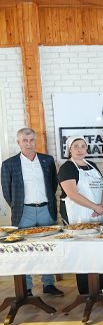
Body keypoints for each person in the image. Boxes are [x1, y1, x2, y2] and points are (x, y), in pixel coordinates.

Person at [1, 126, 63, 297]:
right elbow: (7, 192)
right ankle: (26, 287)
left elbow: (53, 185)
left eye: (31, 140)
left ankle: (48, 284)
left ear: (36, 141)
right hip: (24, 212)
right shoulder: (9, 164)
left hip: (45, 210)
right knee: (23, 249)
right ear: (18, 142)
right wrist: (19, 206)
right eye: (25, 140)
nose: (28, 144)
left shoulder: (47, 160)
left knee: (48, 247)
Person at [57, 135, 103, 295]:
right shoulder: (67, 168)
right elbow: (72, 194)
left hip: (97, 212)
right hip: (77, 214)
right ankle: (86, 289)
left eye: (83, 146)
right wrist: (96, 207)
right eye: (76, 146)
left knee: (100, 247)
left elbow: (102, 187)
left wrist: (102, 206)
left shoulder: (92, 165)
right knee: (81, 250)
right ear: (69, 149)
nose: (80, 150)